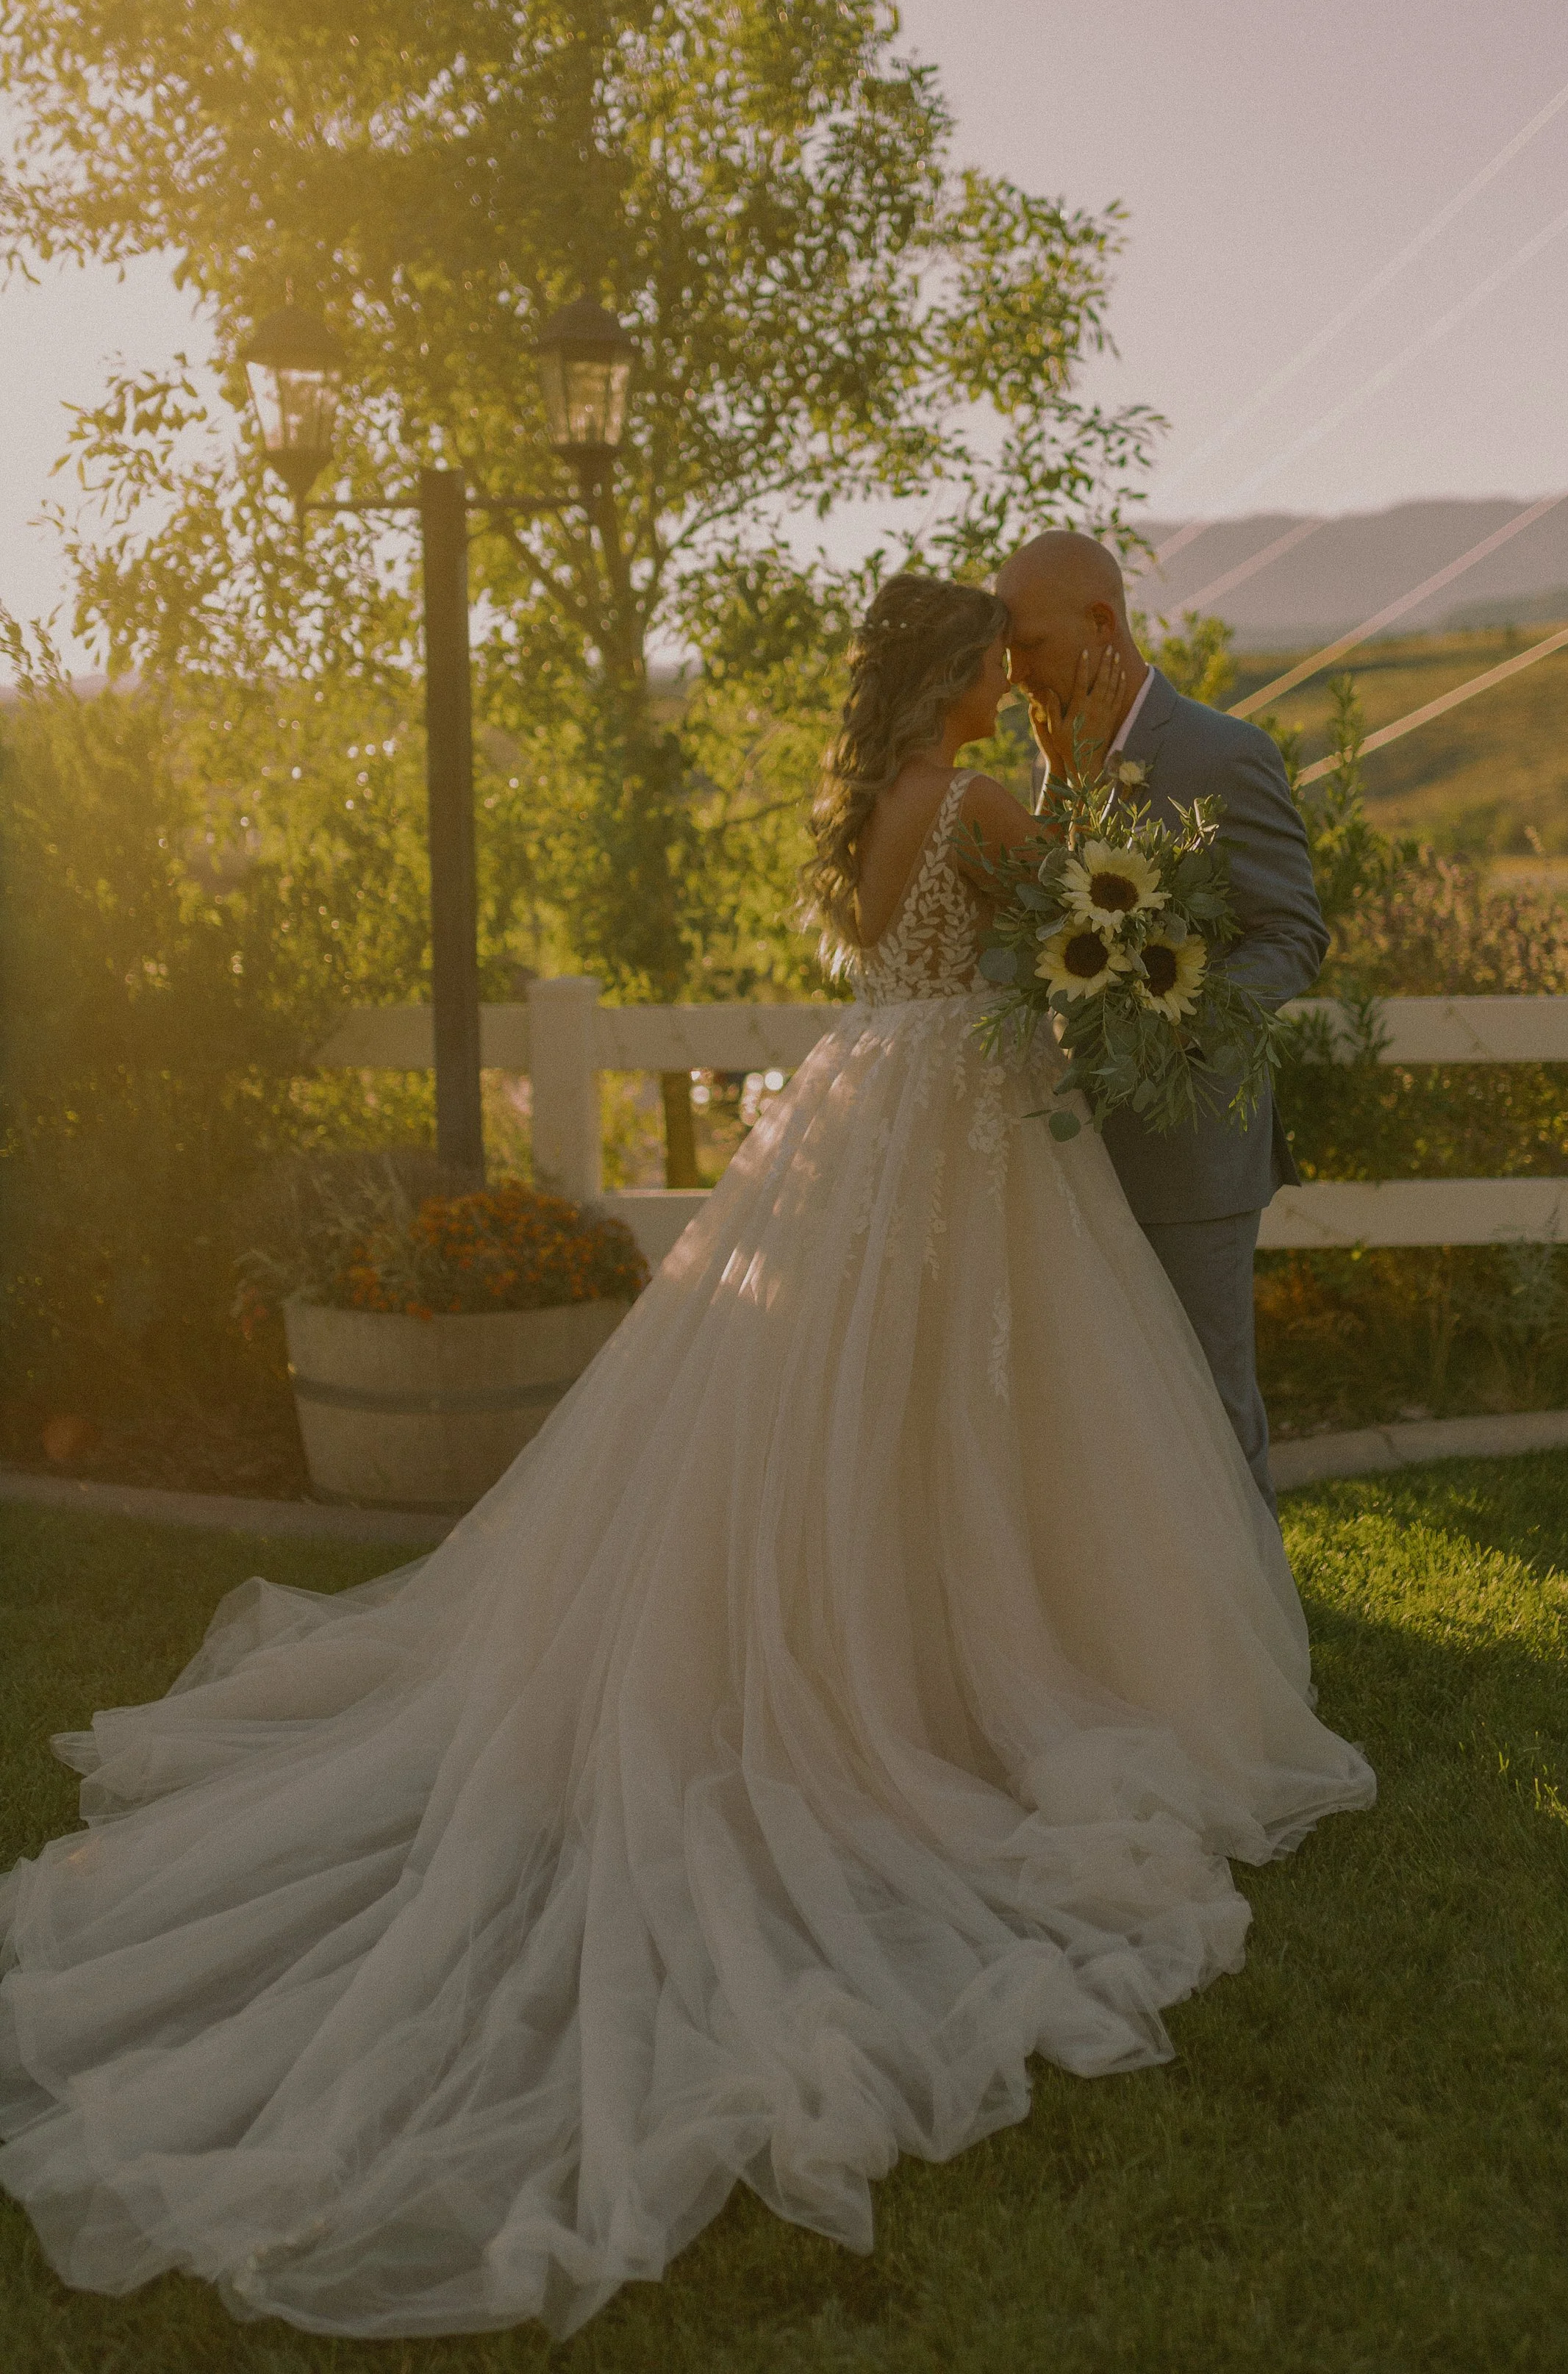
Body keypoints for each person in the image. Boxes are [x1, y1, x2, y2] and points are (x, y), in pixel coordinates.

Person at [0, 572, 1372, 2343]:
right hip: (963, 1119)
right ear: (956, 677)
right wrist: (1099, 816)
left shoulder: (872, 807)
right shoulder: (978, 800)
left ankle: (915, 1648)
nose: (1007, 677)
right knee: (972, 1405)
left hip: (872, 1102)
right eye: (993, 661)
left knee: (866, 1412)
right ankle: (964, 1678)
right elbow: (1088, 920)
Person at [996, 533, 1328, 1517]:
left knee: (1210, 1408)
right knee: (1104, 1415)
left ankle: (1253, 1609)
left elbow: (1294, 935)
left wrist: (1181, 1016)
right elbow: (1042, 920)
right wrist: (1062, 782)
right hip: (1073, 1144)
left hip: (1192, 1146)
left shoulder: (1227, 752)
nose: (1013, 674)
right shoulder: (1055, 758)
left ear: (1101, 623)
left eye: (1028, 644)